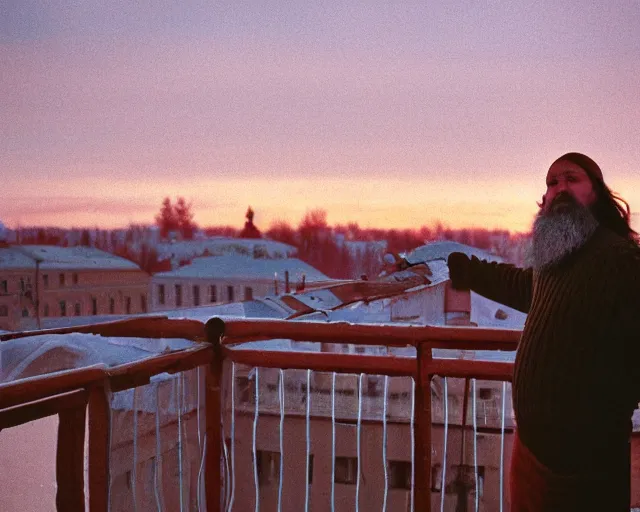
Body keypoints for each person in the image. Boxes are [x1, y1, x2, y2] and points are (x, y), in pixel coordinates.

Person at [447, 152, 640, 511]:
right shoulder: (557, 258)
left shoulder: (620, 260)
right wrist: (470, 272)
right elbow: (526, 286)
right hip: (532, 454)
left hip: (586, 466)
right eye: (552, 183)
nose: (560, 188)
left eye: (571, 179)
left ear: (596, 192)